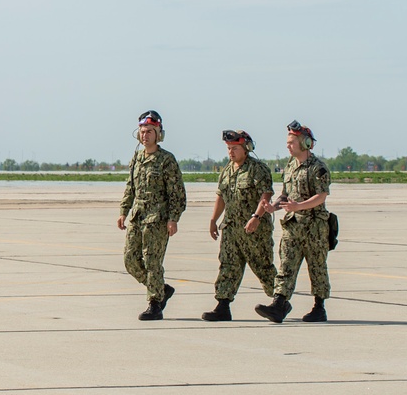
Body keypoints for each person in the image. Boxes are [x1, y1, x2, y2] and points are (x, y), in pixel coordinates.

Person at [255, 120, 331, 323]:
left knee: (317, 267)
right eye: (287, 142)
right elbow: (285, 195)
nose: (288, 146)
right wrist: (274, 206)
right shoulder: (289, 167)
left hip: (314, 226)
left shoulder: (318, 168)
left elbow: (322, 196)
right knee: (286, 266)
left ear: (305, 143)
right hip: (293, 226)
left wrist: (299, 206)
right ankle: (279, 304)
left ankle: (319, 307)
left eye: (291, 142)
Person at [117, 110, 187, 321]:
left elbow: (177, 193)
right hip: (138, 217)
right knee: (130, 260)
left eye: (150, 131)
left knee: (152, 262)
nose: (145, 135)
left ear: (158, 134)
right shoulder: (137, 158)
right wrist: (123, 211)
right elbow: (131, 187)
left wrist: (173, 218)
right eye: (142, 131)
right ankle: (161, 289)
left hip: (157, 219)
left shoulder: (166, 160)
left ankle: (155, 304)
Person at [203, 130, 277, 321]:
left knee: (263, 267)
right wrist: (213, 220)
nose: (231, 152)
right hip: (231, 229)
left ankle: (280, 300)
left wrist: (256, 217)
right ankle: (223, 305)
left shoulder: (257, 169)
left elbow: (265, 195)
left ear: (246, 148)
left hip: (254, 230)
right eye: (229, 148)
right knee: (228, 266)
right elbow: (221, 196)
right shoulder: (228, 169)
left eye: (234, 148)